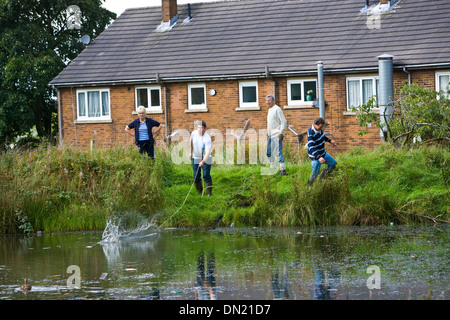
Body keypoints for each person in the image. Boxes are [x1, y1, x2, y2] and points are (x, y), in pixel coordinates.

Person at [307, 117, 338, 185]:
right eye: (320, 127)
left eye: (322, 127)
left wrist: (330, 141)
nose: (321, 128)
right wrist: (319, 157)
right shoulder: (311, 133)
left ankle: (322, 179)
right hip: (315, 157)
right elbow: (311, 147)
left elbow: (323, 137)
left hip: (323, 153)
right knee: (315, 173)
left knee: (333, 164)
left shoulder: (319, 130)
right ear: (315, 124)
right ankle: (309, 186)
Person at [190, 121, 213, 196]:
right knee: (196, 176)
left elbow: (207, 152)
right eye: (198, 127)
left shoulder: (207, 138)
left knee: (206, 174)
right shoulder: (194, 133)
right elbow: (191, 142)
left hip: (206, 157)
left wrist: (203, 161)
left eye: (202, 127)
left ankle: (209, 193)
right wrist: (191, 152)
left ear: (205, 129)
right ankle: (200, 192)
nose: (199, 129)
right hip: (196, 156)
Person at [266, 95, 288, 175]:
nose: (268, 102)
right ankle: (272, 168)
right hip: (271, 135)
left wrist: (281, 133)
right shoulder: (269, 110)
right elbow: (269, 124)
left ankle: (283, 170)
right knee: (268, 152)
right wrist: (268, 134)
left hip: (277, 134)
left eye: (269, 100)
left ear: (273, 100)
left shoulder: (277, 109)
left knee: (278, 153)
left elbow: (284, 122)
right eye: (267, 100)